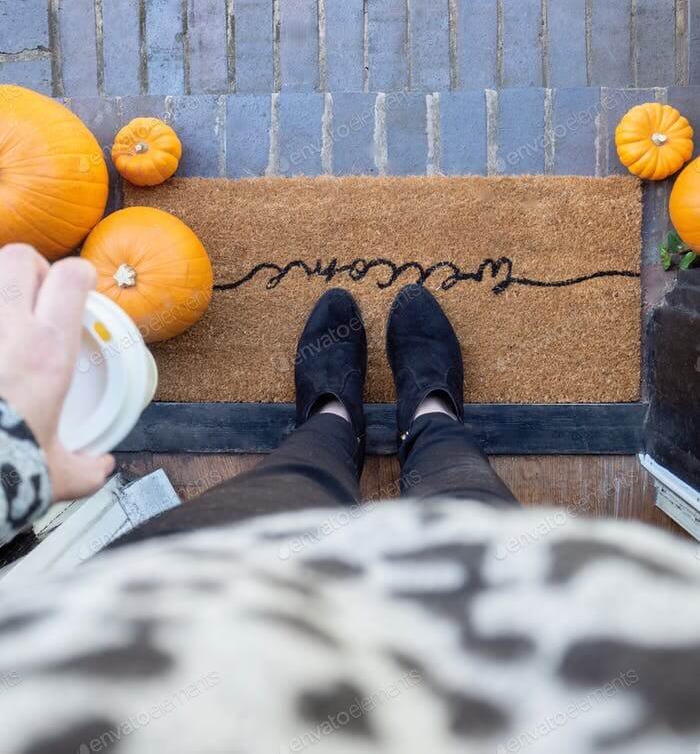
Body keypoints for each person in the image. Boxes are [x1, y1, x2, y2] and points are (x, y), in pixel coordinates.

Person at [0, 242, 699, 754]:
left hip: (168, 643)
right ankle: (430, 417)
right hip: (544, 673)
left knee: (280, 499)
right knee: (466, 507)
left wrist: (13, 453)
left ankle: (331, 424)